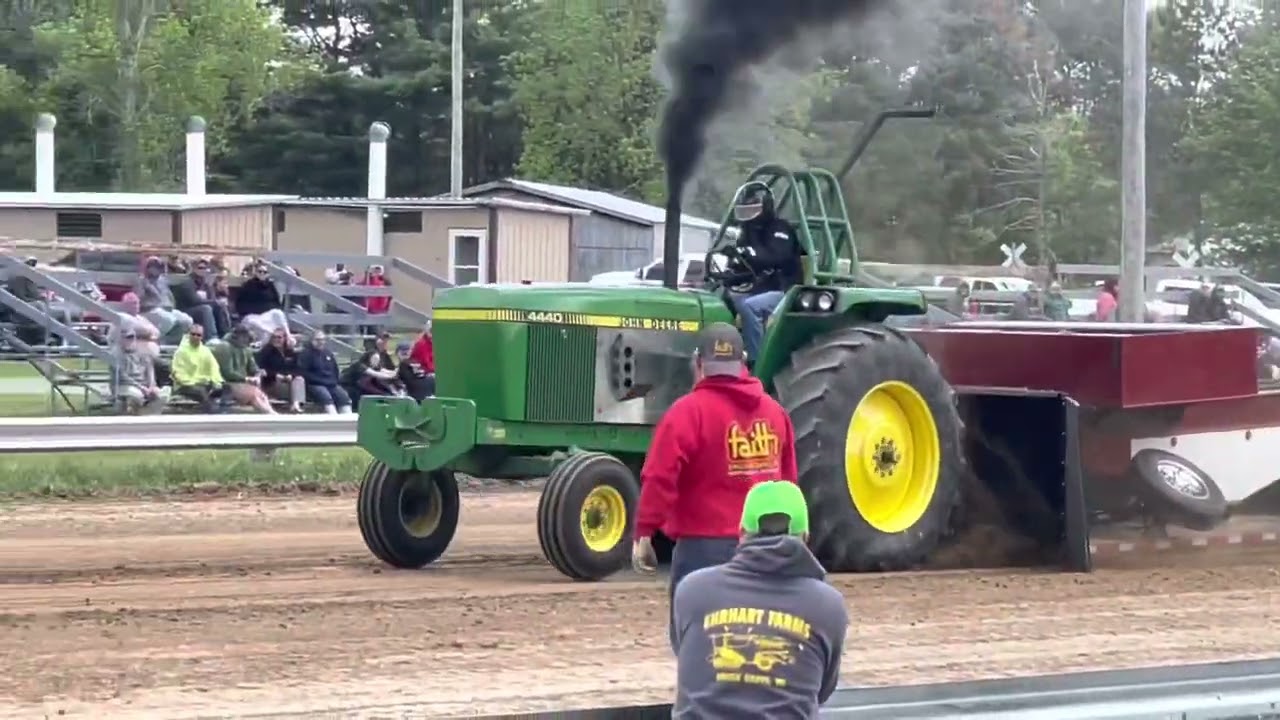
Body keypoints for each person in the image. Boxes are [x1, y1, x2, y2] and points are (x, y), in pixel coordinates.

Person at [632, 322, 798, 644]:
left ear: (698, 364)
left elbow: (658, 477)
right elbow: (788, 485)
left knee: (697, 642)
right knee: (755, 642)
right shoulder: (776, 414)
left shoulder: (686, 414)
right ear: (744, 363)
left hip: (703, 551)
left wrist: (644, 532)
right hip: (765, 548)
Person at [671, 481, 847, 718]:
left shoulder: (691, 590)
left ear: (742, 533)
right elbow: (822, 690)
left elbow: (688, 660)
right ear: (805, 537)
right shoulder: (828, 605)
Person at [724, 185, 804, 362]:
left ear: (765, 207)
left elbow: (774, 259)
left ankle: (757, 360)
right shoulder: (746, 233)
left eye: (752, 210)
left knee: (750, 307)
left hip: (786, 290)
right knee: (725, 300)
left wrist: (746, 253)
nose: (748, 216)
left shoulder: (780, 230)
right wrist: (732, 275)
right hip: (761, 287)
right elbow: (751, 268)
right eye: (744, 211)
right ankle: (729, 352)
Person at [212, 324, 276, 413]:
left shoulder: (246, 349)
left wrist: (258, 373)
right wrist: (246, 378)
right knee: (254, 394)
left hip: (243, 384)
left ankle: (272, 414)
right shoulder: (225, 347)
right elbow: (227, 372)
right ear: (237, 336)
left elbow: (253, 368)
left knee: (261, 395)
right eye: (244, 337)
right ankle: (269, 414)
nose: (247, 339)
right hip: (228, 384)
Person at [134, 256, 193, 344]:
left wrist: (171, 305)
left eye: (158, 267)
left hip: (166, 309)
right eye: (152, 266)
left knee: (187, 320)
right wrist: (147, 288)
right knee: (169, 320)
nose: (155, 269)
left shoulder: (162, 280)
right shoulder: (141, 281)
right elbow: (138, 300)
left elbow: (169, 296)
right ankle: (155, 341)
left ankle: (176, 342)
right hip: (149, 310)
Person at [113, 328, 170, 415]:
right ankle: (140, 414)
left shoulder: (143, 353)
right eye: (128, 337)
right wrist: (141, 388)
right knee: (136, 395)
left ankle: (150, 415)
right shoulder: (117, 354)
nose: (131, 340)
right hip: (126, 385)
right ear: (121, 339)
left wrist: (152, 385)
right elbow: (123, 376)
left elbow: (150, 370)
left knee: (164, 392)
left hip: (144, 386)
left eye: (132, 337)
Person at [171, 324, 225, 412]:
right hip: (185, 385)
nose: (195, 337)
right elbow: (178, 373)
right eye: (193, 334)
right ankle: (213, 414)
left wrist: (217, 382)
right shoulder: (181, 351)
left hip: (204, 383)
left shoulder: (206, 351)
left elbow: (214, 368)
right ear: (189, 335)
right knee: (201, 392)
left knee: (225, 388)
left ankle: (222, 411)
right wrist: (193, 382)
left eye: (198, 335)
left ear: (202, 337)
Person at [172, 257, 231, 337]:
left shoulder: (205, 283)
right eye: (200, 268)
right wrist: (214, 302)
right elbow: (194, 301)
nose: (203, 270)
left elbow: (212, 298)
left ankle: (225, 334)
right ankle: (211, 336)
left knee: (221, 306)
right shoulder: (187, 282)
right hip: (186, 310)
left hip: (201, 308)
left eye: (205, 268)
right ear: (194, 268)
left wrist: (212, 291)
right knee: (206, 309)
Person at [297, 330, 352, 413]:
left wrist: (334, 381)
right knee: (326, 397)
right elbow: (303, 372)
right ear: (312, 340)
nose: (321, 342)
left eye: (323, 339)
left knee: (343, 397)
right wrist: (320, 381)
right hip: (315, 384)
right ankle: (333, 419)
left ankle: (348, 422)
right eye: (318, 340)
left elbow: (335, 370)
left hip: (331, 384)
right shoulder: (305, 354)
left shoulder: (328, 353)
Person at [235, 262, 290, 341]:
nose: (262, 274)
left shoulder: (270, 286)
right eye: (259, 271)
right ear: (256, 272)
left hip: (268, 315)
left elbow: (276, 302)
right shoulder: (248, 286)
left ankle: (288, 337)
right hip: (253, 315)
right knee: (254, 323)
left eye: (264, 272)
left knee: (279, 313)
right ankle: (272, 336)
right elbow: (240, 303)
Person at [257, 329, 307, 413]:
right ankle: (295, 404)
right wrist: (275, 375)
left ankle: (296, 405)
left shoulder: (289, 352)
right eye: (274, 337)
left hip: (288, 382)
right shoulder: (266, 351)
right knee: (289, 386)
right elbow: (261, 369)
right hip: (272, 383)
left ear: (284, 339)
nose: (276, 340)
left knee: (299, 379)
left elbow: (297, 369)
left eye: (279, 337)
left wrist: (291, 375)